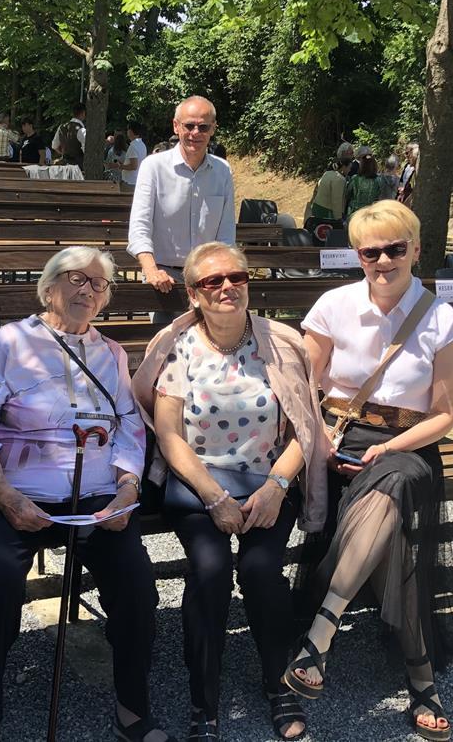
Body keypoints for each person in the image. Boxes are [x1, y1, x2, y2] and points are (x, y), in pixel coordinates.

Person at [0, 246, 173, 742]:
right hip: (5, 491)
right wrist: (6, 497)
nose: (87, 290)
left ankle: (133, 708)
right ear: (49, 286)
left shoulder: (111, 353)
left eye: (99, 284)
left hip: (93, 493)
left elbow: (129, 426)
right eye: (77, 278)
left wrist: (127, 487)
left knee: (136, 582)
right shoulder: (12, 342)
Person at [286, 199, 453, 742]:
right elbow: (305, 386)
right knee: (395, 545)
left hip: (408, 445)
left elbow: (444, 416)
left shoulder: (443, 320)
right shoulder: (334, 305)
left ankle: (322, 632)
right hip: (339, 439)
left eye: (395, 248)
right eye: (371, 252)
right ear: (358, 255)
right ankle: (422, 680)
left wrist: (390, 447)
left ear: (416, 249)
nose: (383, 260)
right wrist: (319, 438)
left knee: (394, 481)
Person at [132, 241, 328, 742]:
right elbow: (169, 435)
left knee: (261, 571)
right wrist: (214, 497)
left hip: (268, 481)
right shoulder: (178, 347)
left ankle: (278, 682)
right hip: (199, 484)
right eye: (212, 281)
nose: (227, 288)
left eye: (236, 277)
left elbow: (305, 429)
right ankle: (205, 700)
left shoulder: (281, 343)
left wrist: (277, 487)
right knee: (211, 571)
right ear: (193, 294)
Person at [128, 96, 235, 318]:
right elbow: (139, 228)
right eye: (189, 125)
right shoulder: (153, 167)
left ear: (213, 129)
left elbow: (226, 234)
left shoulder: (223, 171)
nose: (196, 133)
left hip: (208, 277)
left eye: (203, 127)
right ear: (176, 126)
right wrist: (151, 271)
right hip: (164, 278)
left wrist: (222, 274)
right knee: (166, 339)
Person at [343, 153, 386, 222]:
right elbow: (381, 198)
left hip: (354, 214)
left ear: (361, 165)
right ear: (374, 166)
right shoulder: (379, 180)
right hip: (370, 214)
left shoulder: (355, 179)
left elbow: (347, 195)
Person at [306, 158, 350, 225]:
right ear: (344, 167)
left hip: (317, 206)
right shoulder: (340, 179)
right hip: (327, 211)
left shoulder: (327, 173)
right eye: (349, 167)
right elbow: (336, 200)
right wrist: (338, 219)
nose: (349, 170)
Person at [107, 121, 148, 193]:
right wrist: (123, 164)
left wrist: (119, 166)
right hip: (136, 181)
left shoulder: (133, 146)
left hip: (130, 182)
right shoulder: (142, 145)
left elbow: (133, 166)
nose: (127, 131)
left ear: (131, 131)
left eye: (128, 129)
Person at [399, 142, 419, 208]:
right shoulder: (407, 166)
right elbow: (402, 180)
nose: (406, 156)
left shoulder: (418, 172)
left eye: (408, 153)